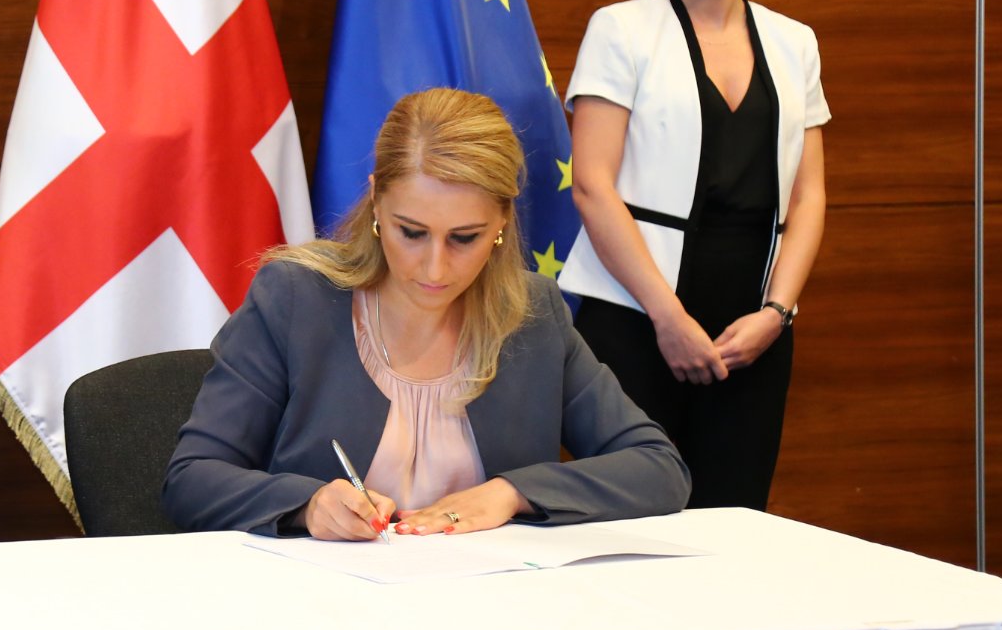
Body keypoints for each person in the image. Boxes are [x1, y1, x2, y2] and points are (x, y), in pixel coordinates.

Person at [163, 88, 688, 540]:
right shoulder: (296, 299)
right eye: (411, 232)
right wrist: (307, 506)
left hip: (491, 605)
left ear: (502, 221)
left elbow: (659, 467)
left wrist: (511, 493)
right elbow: (191, 479)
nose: (434, 267)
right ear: (376, 201)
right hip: (323, 607)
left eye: (465, 238)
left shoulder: (534, 315)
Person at [561, 0, 829, 510]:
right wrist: (668, 316)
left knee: (735, 522)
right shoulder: (621, 30)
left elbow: (809, 196)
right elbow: (592, 185)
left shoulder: (794, 42)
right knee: (633, 522)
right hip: (635, 315)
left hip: (751, 332)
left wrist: (776, 314)